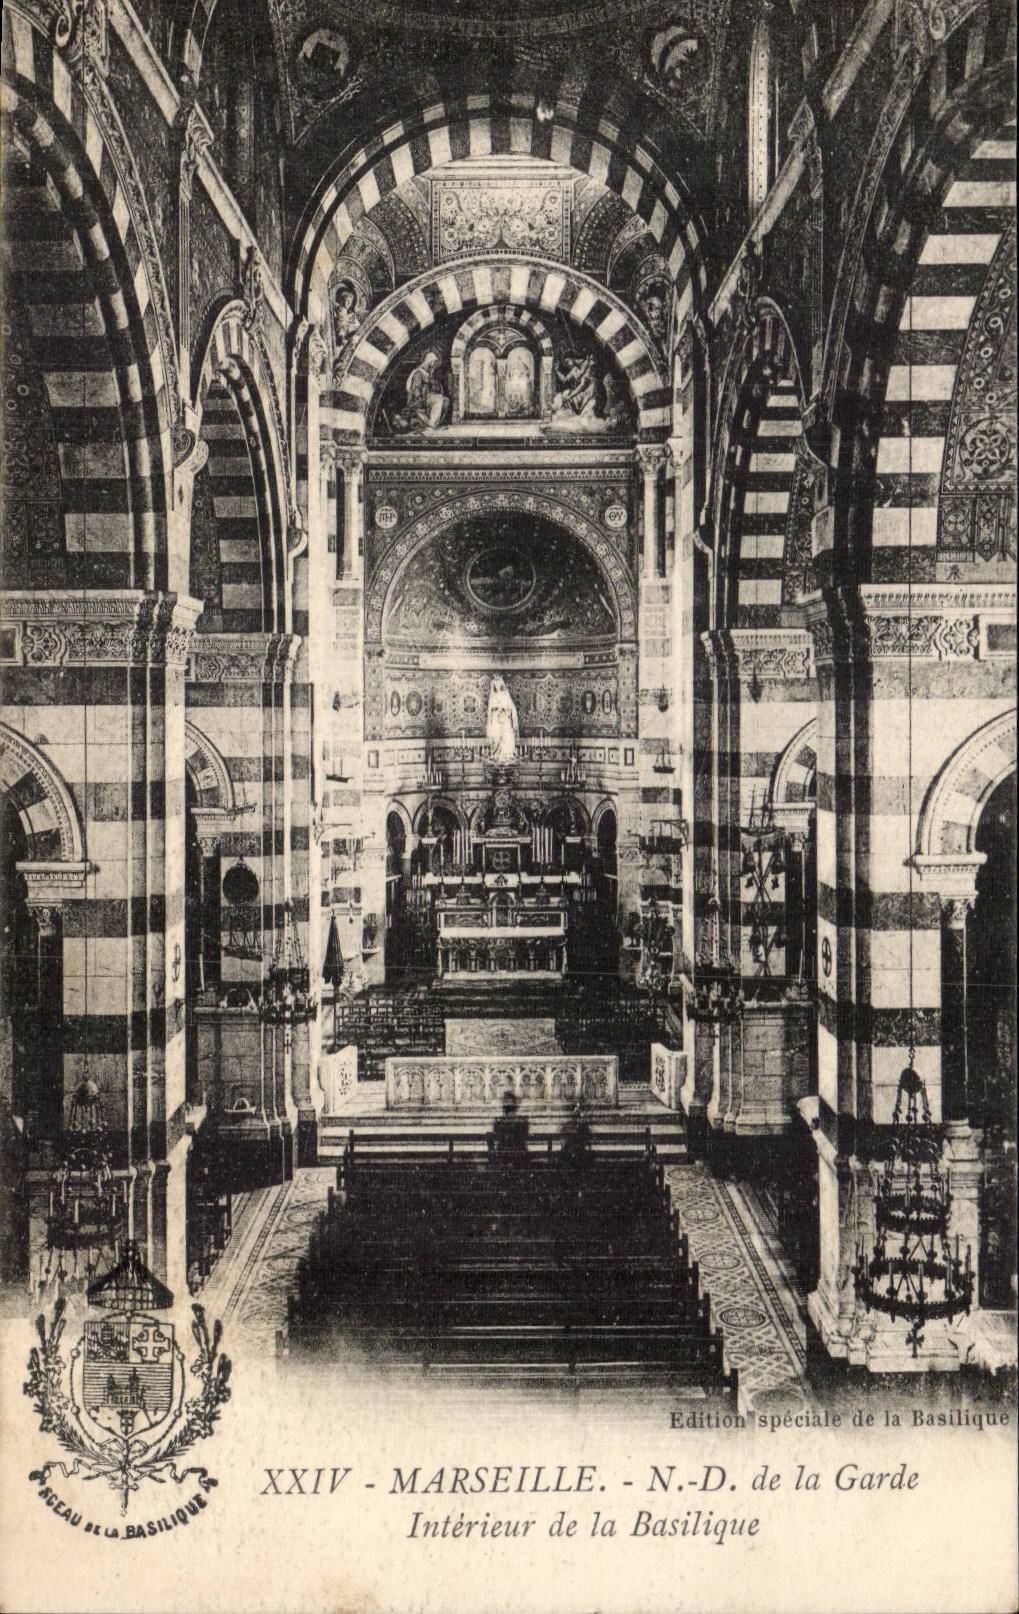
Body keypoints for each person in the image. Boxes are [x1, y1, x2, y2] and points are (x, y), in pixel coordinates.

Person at [392, 350, 449, 431]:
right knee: (438, 400)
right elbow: (416, 390)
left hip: (427, 397)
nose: (434, 364)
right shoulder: (418, 373)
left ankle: (435, 423)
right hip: (418, 399)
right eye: (433, 361)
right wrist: (419, 401)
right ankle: (431, 425)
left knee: (446, 400)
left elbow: (433, 388)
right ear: (429, 361)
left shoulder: (429, 372)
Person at [486, 674, 519, 765]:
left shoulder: (506, 695)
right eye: (495, 684)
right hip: (496, 721)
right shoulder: (493, 697)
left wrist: (505, 711)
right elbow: (490, 712)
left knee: (507, 736)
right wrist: (496, 711)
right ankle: (496, 755)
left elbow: (512, 709)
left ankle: (507, 756)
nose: (497, 685)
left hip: (505, 720)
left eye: (498, 683)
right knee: (496, 737)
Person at [489, 1090, 529, 1160]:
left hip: (502, 1154)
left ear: (504, 1109)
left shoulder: (498, 1121)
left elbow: (495, 1132)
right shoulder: (522, 1121)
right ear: (516, 1108)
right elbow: (525, 1133)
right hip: (520, 1154)